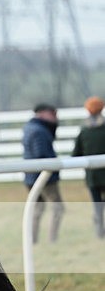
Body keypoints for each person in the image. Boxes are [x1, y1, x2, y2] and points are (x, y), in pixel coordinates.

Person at [22, 103, 65, 243]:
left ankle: (32, 240)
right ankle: (52, 239)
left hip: (32, 175)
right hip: (43, 176)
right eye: (51, 113)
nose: (54, 117)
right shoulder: (39, 131)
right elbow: (40, 154)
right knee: (57, 208)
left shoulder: (31, 128)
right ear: (42, 113)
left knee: (37, 210)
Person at [72, 96, 105, 238]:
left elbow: (76, 154)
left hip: (92, 176)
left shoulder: (84, 131)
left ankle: (99, 232)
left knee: (97, 205)